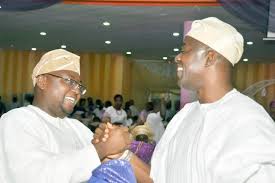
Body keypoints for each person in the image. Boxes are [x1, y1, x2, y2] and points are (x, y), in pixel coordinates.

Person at [94, 17, 275, 183]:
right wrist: (119, 153)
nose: (178, 57)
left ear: (209, 58)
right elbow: (157, 177)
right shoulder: (184, 115)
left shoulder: (248, 120)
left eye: (184, 50)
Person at [0, 49, 133, 183]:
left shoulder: (76, 127)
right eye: (69, 81)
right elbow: (33, 176)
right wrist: (102, 149)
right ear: (42, 81)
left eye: (79, 86)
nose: (77, 91)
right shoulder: (16, 120)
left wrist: (112, 139)